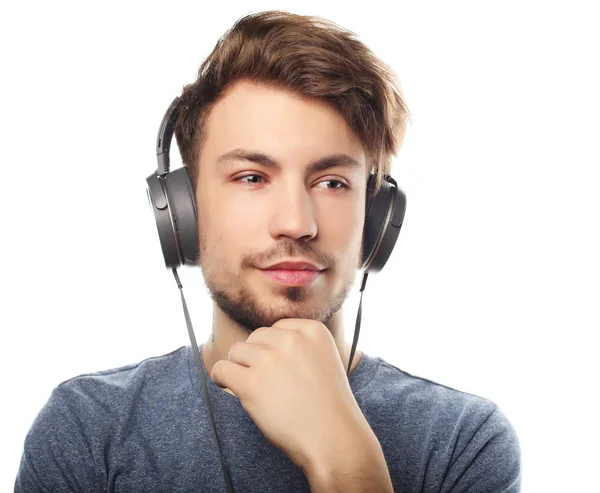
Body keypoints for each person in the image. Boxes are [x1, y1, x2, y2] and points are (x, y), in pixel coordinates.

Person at [14, 10, 521, 493]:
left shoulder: (464, 442)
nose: (296, 223)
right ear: (183, 210)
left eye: (331, 182)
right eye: (252, 177)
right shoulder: (86, 426)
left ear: (378, 216)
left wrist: (347, 462)